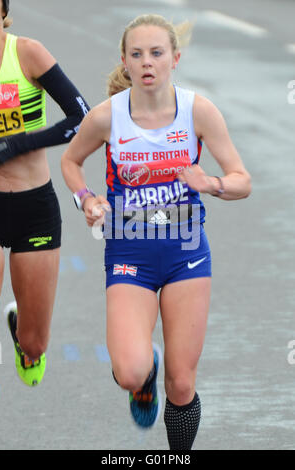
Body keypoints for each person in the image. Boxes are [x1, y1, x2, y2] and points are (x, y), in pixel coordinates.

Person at [61, 14, 251, 450]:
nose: (148, 62)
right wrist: (87, 200)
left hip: (187, 253)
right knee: (129, 370)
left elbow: (243, 179)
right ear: (125, 63)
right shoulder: (108, 117)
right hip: (130, 255)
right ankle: (144, 380)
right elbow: (70, 162)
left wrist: (213, 185)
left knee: (182, 384)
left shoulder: (197, 111)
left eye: (157, 53)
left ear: (175, 59)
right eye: (137, 54)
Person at [0, 0, 90, 387]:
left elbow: (82, 118)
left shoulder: (27, 54)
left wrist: (19, 145)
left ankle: (24, 338)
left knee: (36, 344)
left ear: (2, 7)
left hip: (33, 205)